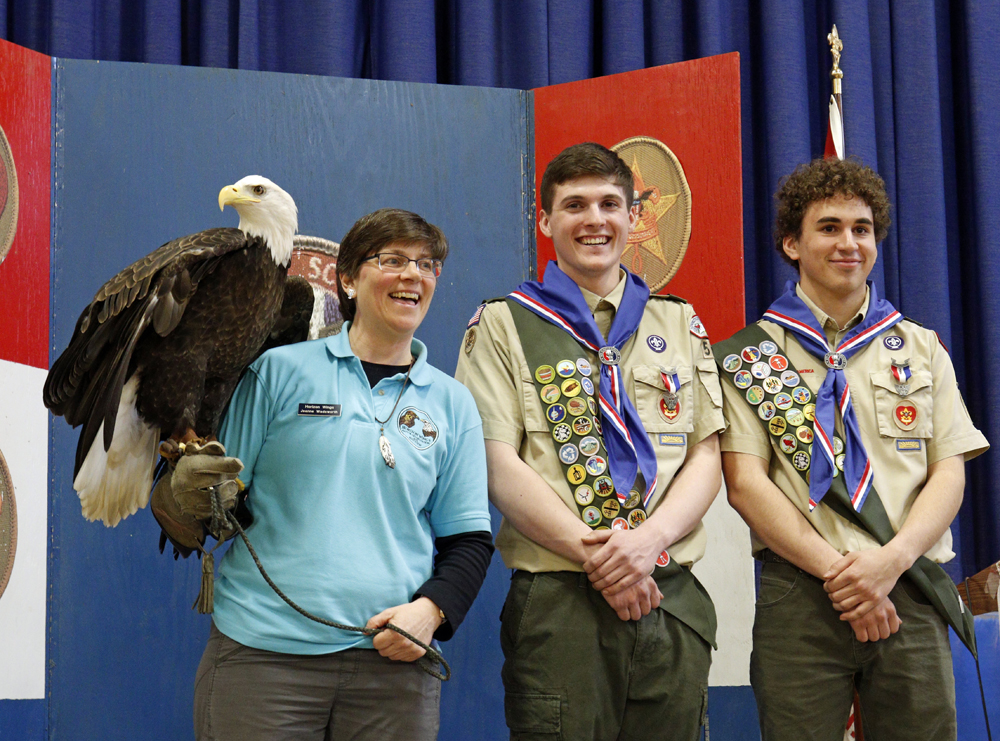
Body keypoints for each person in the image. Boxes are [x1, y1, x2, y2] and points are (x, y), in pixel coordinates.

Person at [171, 208, 494, 740]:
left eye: (427, 264)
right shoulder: (279, 371)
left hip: (394, 663)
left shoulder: (454, 403)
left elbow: (469, 540)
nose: (413, 275)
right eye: (392, 260)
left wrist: (430, 614)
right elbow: (217, 504)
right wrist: (184, 493)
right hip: (264, 656)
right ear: (346, 278)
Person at [456, 142, 723, 740]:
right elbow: (496, 462)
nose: (594, 220)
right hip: (562, 602)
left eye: (610, 204)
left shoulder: (678, 321)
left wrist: (646, 544)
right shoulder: (503, 323)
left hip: (669, 592)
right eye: (574, 205)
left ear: (633, 218)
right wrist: (605, 560)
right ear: (546, 221)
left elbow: (707, 455)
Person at [717, 157, 989, 740]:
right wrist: (846, 576)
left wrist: (888, 564)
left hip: (909, 583)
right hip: (802, 592)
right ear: (792, 242)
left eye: (861, 229)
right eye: (829, 227)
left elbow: (948, 471)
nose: (849, 243)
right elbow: (745, 483)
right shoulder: (747, 355)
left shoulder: (919, 347)